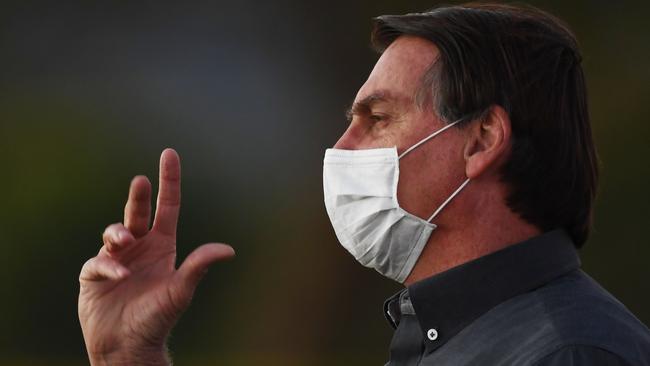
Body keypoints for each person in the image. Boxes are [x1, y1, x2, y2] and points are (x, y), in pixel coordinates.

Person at [78, 3, 650, 365]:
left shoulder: (569, 353)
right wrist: (130, 355)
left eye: (375, 118)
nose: (342, 149)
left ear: (481, 141)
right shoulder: (440, 334)